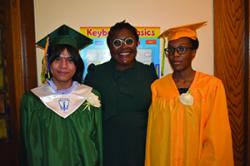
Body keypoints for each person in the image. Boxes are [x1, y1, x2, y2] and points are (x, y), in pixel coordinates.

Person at [145, 21, 234, 166]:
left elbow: (217, 136)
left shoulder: (211, 86)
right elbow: (154, 138)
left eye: (182, 49)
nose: (175, 55)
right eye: (171, 50)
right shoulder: (158, 87)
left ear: (193, 52)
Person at [20, 24, 103, 166]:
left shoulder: (90, 96)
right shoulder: (32, 100)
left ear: (77, 64)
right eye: (57, 59)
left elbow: (97, 144)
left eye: (70, 60)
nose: (63, 66)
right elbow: (28, 147)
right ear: (48, 62)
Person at [84, 21, 158, 166]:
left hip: (141, 150)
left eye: (129, 41)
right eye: (117, 43)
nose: (124, 47)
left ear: (137, 43)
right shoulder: (95, 75)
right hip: (107, 150)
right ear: (109, 46)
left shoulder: (149, 74)